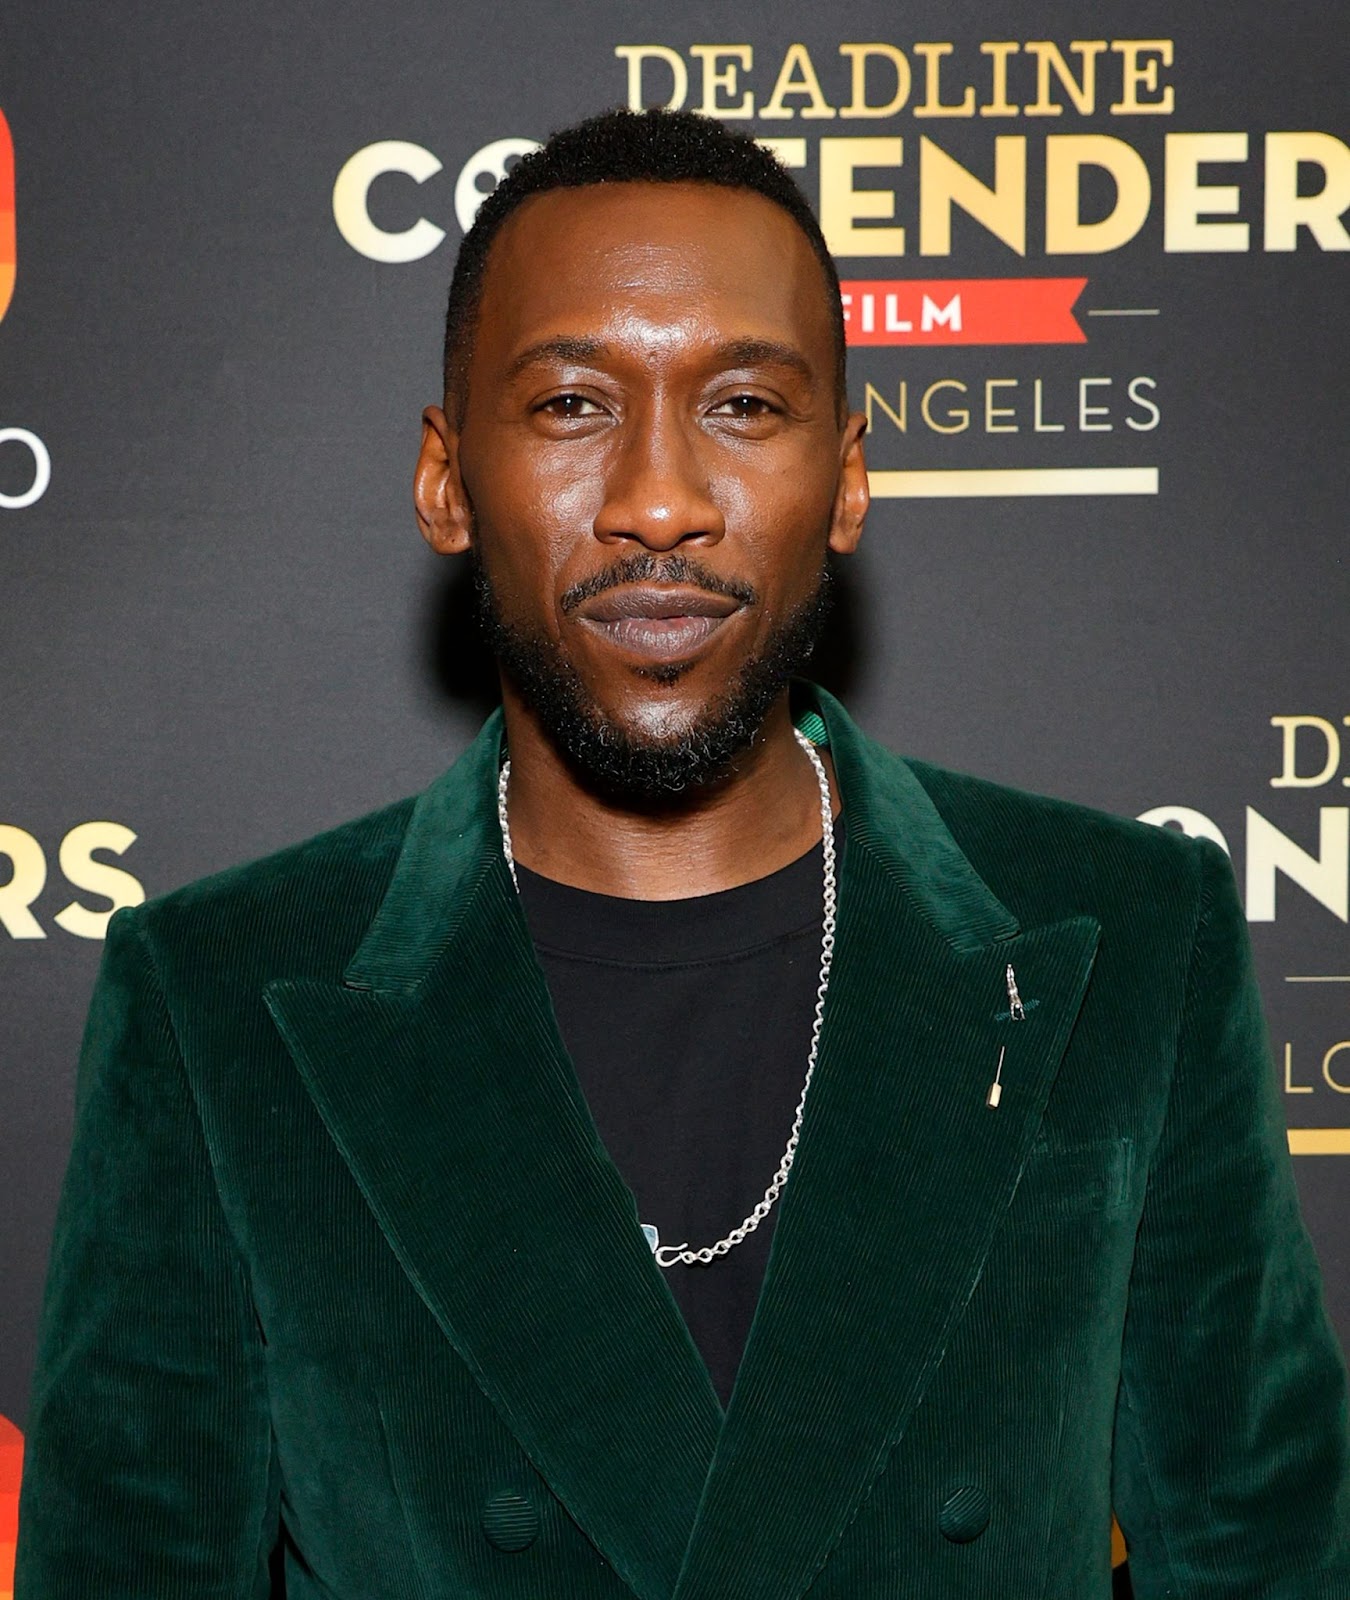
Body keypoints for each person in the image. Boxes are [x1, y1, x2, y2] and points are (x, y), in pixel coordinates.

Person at [15, 107, 1350, 1600]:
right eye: (573, 404)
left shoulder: (1123, 938)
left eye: (744, 406)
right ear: (447, 478)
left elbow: (1265, 1555)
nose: (659, 501)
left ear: (845, 476)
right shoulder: (219, 1000)